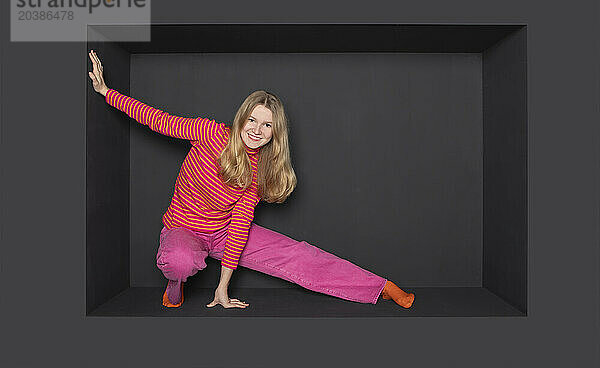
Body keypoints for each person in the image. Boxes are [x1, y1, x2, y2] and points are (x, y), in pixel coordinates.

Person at [88, 49, 415, 310]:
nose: (257, 130)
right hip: (183, 229)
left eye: (267, 125)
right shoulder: (209, 133)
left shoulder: (260, 170)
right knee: (180, 261)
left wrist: (222, 289)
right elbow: (156, 119)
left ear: (275, 133)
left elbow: (240, 224)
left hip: (224, 233)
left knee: (297, 254)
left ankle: (377, 286)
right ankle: (175, 286)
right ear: (241, 118)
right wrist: (106, 91)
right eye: (252, 120)